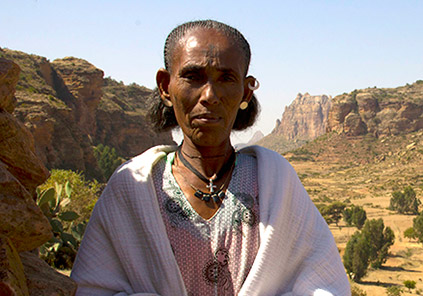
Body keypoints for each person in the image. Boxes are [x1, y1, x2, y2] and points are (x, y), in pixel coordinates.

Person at [71, 20, 350, 295]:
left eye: (226, 78)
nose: (210, 95)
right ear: (165, 86)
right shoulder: (133, 187)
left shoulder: (276, 182)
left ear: (245, 91)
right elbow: (91, 288)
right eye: (193, 76)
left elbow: (324, 285)